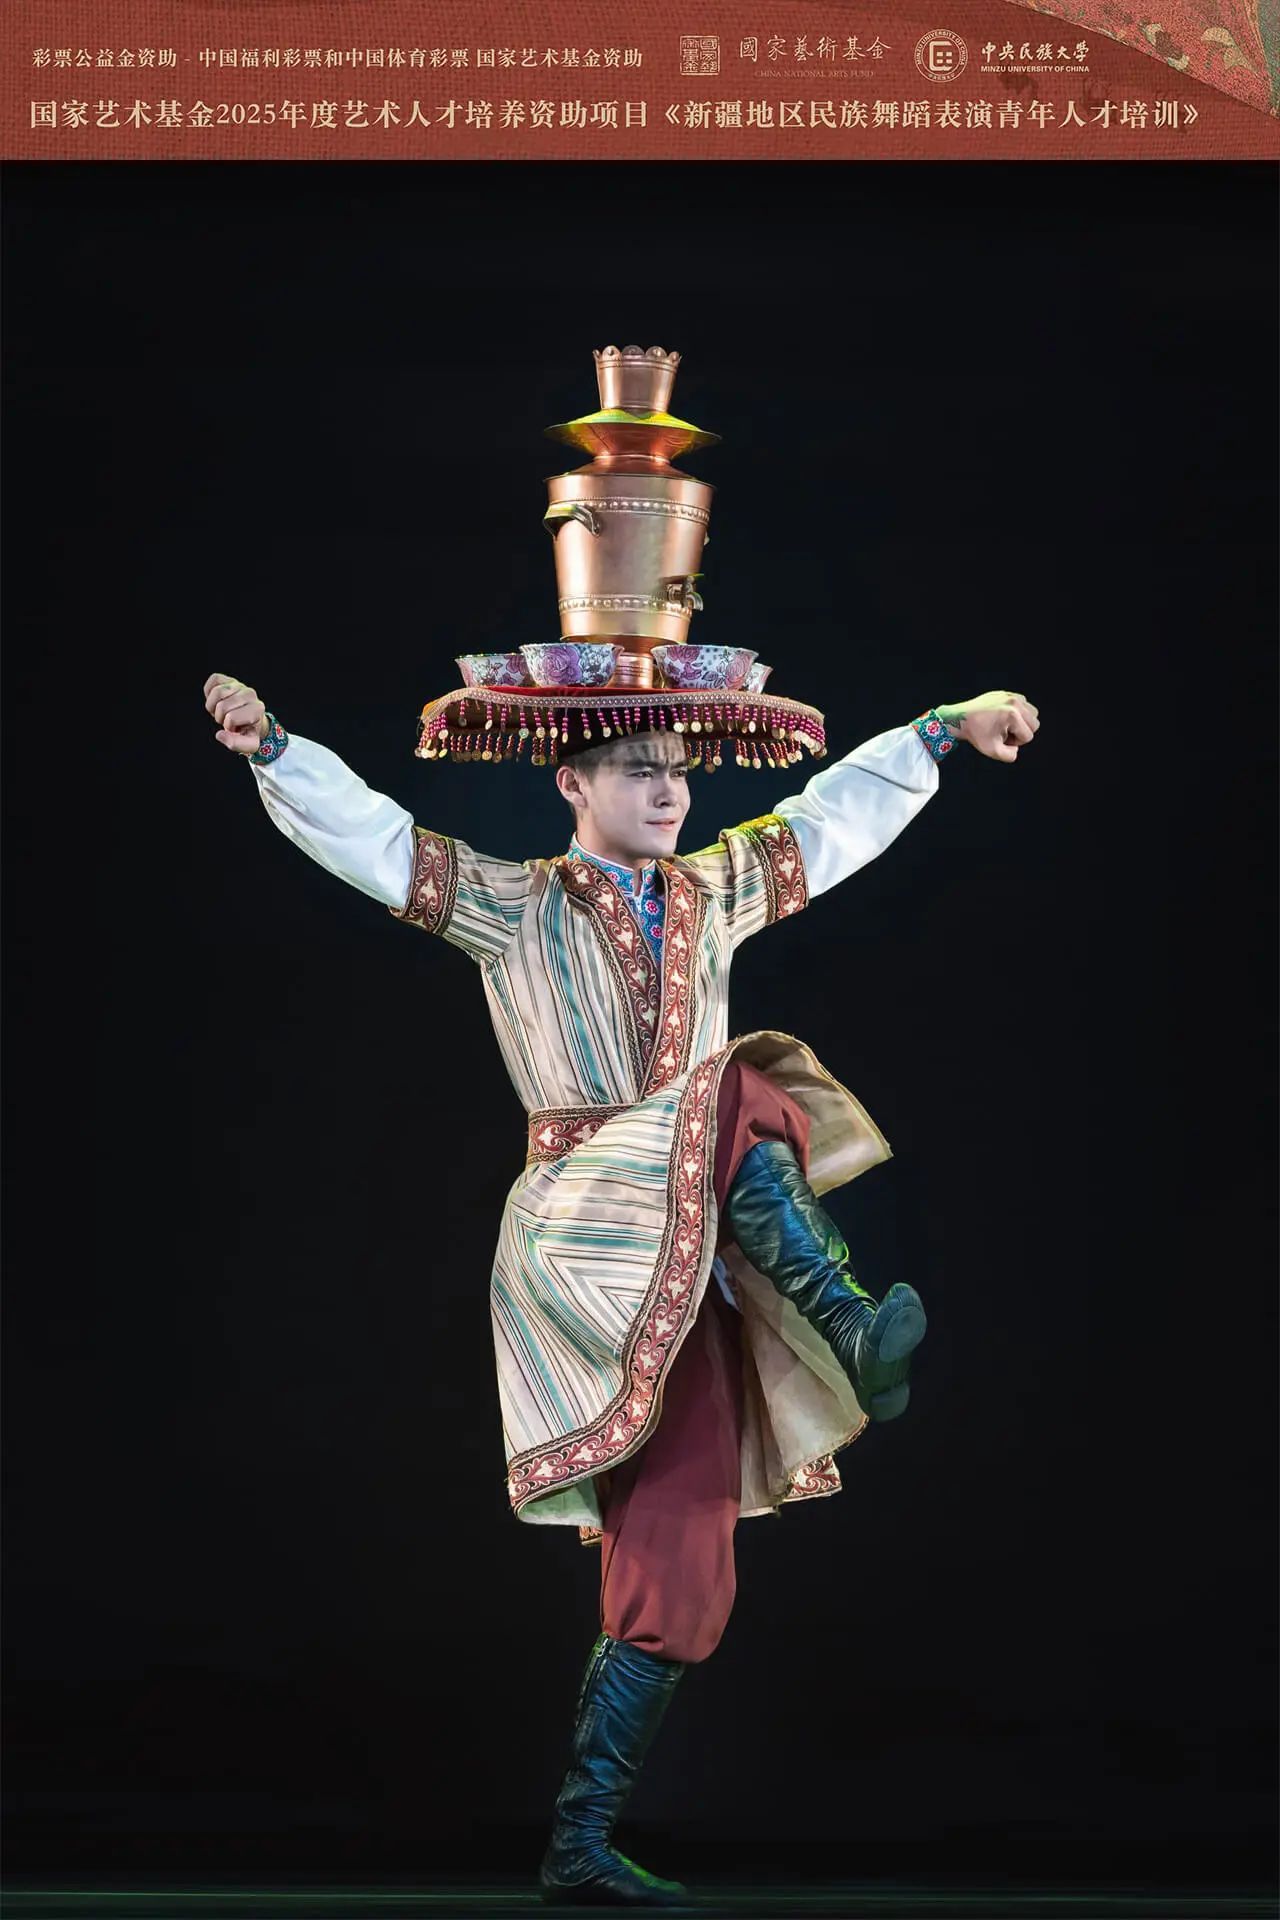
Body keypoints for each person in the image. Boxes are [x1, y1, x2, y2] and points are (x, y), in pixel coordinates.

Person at [204, 671, 1039, 1906]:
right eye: (638, 768)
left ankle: (579, 1840)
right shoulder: (512, 904)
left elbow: (828, 822)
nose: (667, 790)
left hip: (687, 1240)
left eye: (677, 770)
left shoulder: (712, 890)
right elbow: (377, 839)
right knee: (741, 1082)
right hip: (582, 1218)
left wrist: (938, 732)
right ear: (571, 783)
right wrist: (274, 747)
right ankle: (848, 1321)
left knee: (681, 1568)